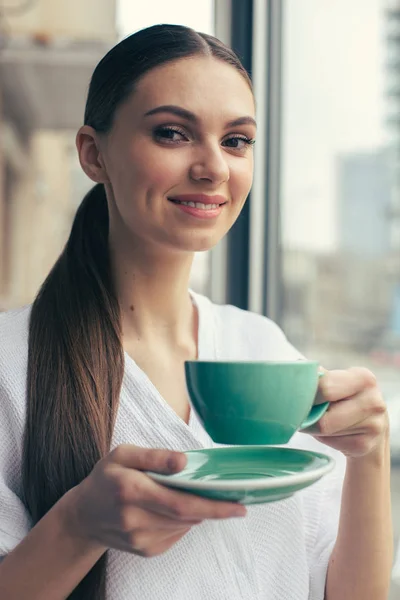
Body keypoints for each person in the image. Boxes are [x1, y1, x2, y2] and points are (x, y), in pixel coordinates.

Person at [0, 24, 392, 600]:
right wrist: (77, 525)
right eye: (172, 133)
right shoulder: (11, 363)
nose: (214, 168)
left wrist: (371, 454)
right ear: (94, 153)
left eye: (236, 141)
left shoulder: (264, 349)